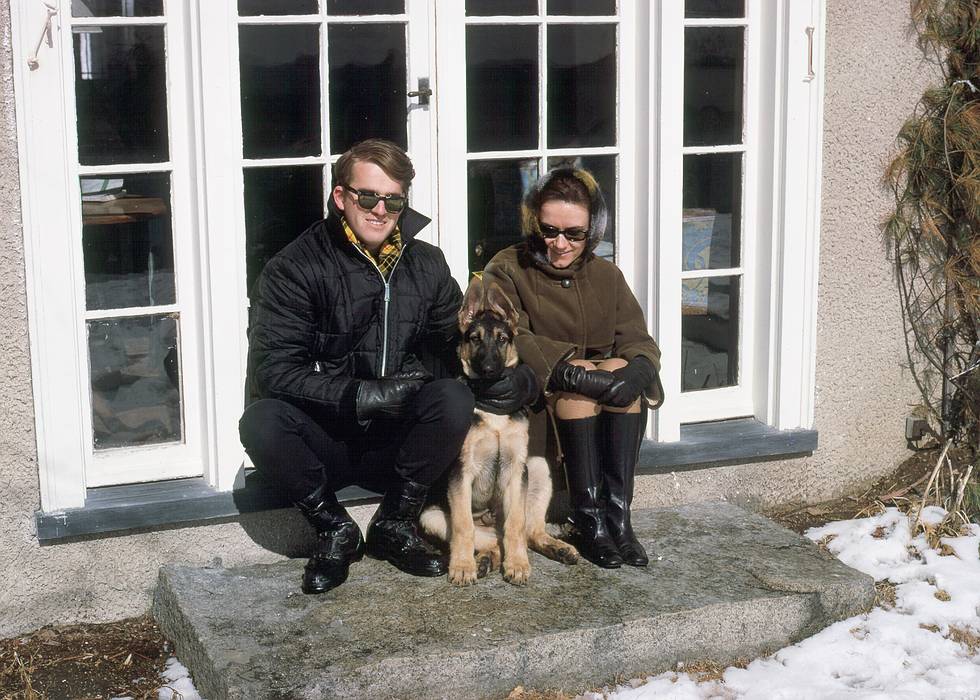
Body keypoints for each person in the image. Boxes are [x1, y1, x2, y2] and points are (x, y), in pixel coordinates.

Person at [240, 139, 516, 595]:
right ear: (341, 197)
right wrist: (359, 394)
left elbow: (455, 340)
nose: (379, 210)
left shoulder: (426, 263)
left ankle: (395, 523)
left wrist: (511, 374)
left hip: (396, 441)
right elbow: (274, 369)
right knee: (261, 421)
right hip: (324, 437)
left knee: (451, 397)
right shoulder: (296, 268)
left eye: (393, 200)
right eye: (367, 196)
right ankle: (334, 531)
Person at [482, 168, 665, 569]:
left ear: (592, 231)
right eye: (549, 231)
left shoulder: (604, 274)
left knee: (621, 365)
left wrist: (636, 372)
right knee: (583, 374)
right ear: (534, 223)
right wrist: (567, 372)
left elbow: (637, 337)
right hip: (537, 399)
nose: (561, 244)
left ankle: (618, 517)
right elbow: (507, 335)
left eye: (574, 234)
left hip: (598, 397)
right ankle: (589, 519)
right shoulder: (508, 267)